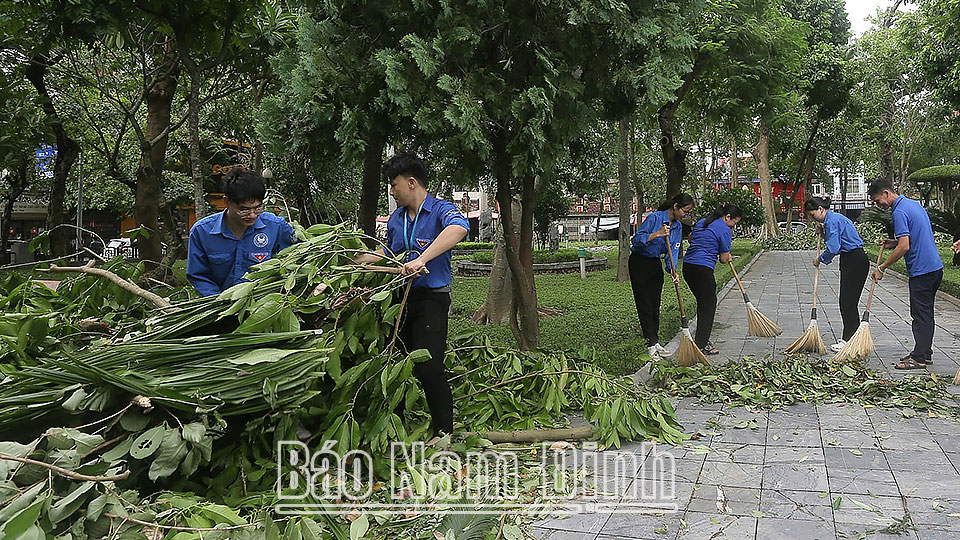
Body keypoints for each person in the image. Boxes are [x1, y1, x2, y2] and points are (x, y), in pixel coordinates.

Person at [355, 153, 468, 435]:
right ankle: (395, 427)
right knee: (396, 362)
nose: (392, 192)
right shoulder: (396, 219)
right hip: (399, 300)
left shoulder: (441, 210)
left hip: (432, 298)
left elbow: (460, 228)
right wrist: (359, 260)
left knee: (429, 365)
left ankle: (444, 431)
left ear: (412, 182)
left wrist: (423, 258)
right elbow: (390, 253)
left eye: (394, 185)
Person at [869, 179, 944, 369]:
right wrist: (892, 242)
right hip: (935, 268)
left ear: (886, 193)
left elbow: (905, 246)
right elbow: (912, 236)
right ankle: (924, 353)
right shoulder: (912, 204)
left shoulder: (899, 212)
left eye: (878, 201)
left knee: (920, 314)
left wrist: (881, 267)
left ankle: (919, 358)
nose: (880, 206)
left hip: (922, 271)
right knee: (926, 313)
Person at [187, 168, 296, 296]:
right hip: (219, 306)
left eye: (258, 208)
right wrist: (219, 302)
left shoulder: (276, 227)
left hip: (263, 305)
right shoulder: (202, 232)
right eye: (244, 210)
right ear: (227, 202)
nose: (252, 215)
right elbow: (199, 275)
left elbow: (293, 260)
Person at [629, 193, 695, 359]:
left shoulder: (678, 226)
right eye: (685, 211)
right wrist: (657, 234)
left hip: (654, 263)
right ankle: (650, 345)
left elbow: (672, 251)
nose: (685, 215)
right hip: (639, 262)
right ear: (675, 207)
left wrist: (673, 271)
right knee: (644, 303)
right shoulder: (655, 218)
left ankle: (655, 340)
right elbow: (636, 240)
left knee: (655, 303)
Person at [805, 197, 868, 352]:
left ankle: (849, 340)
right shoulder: (833, 219)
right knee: (848, 302)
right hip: (853, 260)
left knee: (847, 303)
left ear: (820, 209)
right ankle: (852, 339)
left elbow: (834, 248)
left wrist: (820, 259)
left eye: (813, 215)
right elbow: (838, 241)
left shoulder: (832, 221)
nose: (813, 219)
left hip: (854, 261)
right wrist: (824, 232)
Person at [681, 203, 741, 356]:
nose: (734, 226)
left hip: (688, 267)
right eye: (734, 222)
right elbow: (722, 258)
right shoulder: (725, 230)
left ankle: (702, 340)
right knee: (708, 305)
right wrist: (728, 257)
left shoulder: (703, 221)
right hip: (703, 269)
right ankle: (701, 345)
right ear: (727, 217)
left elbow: (690, 237)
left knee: (704, 303)